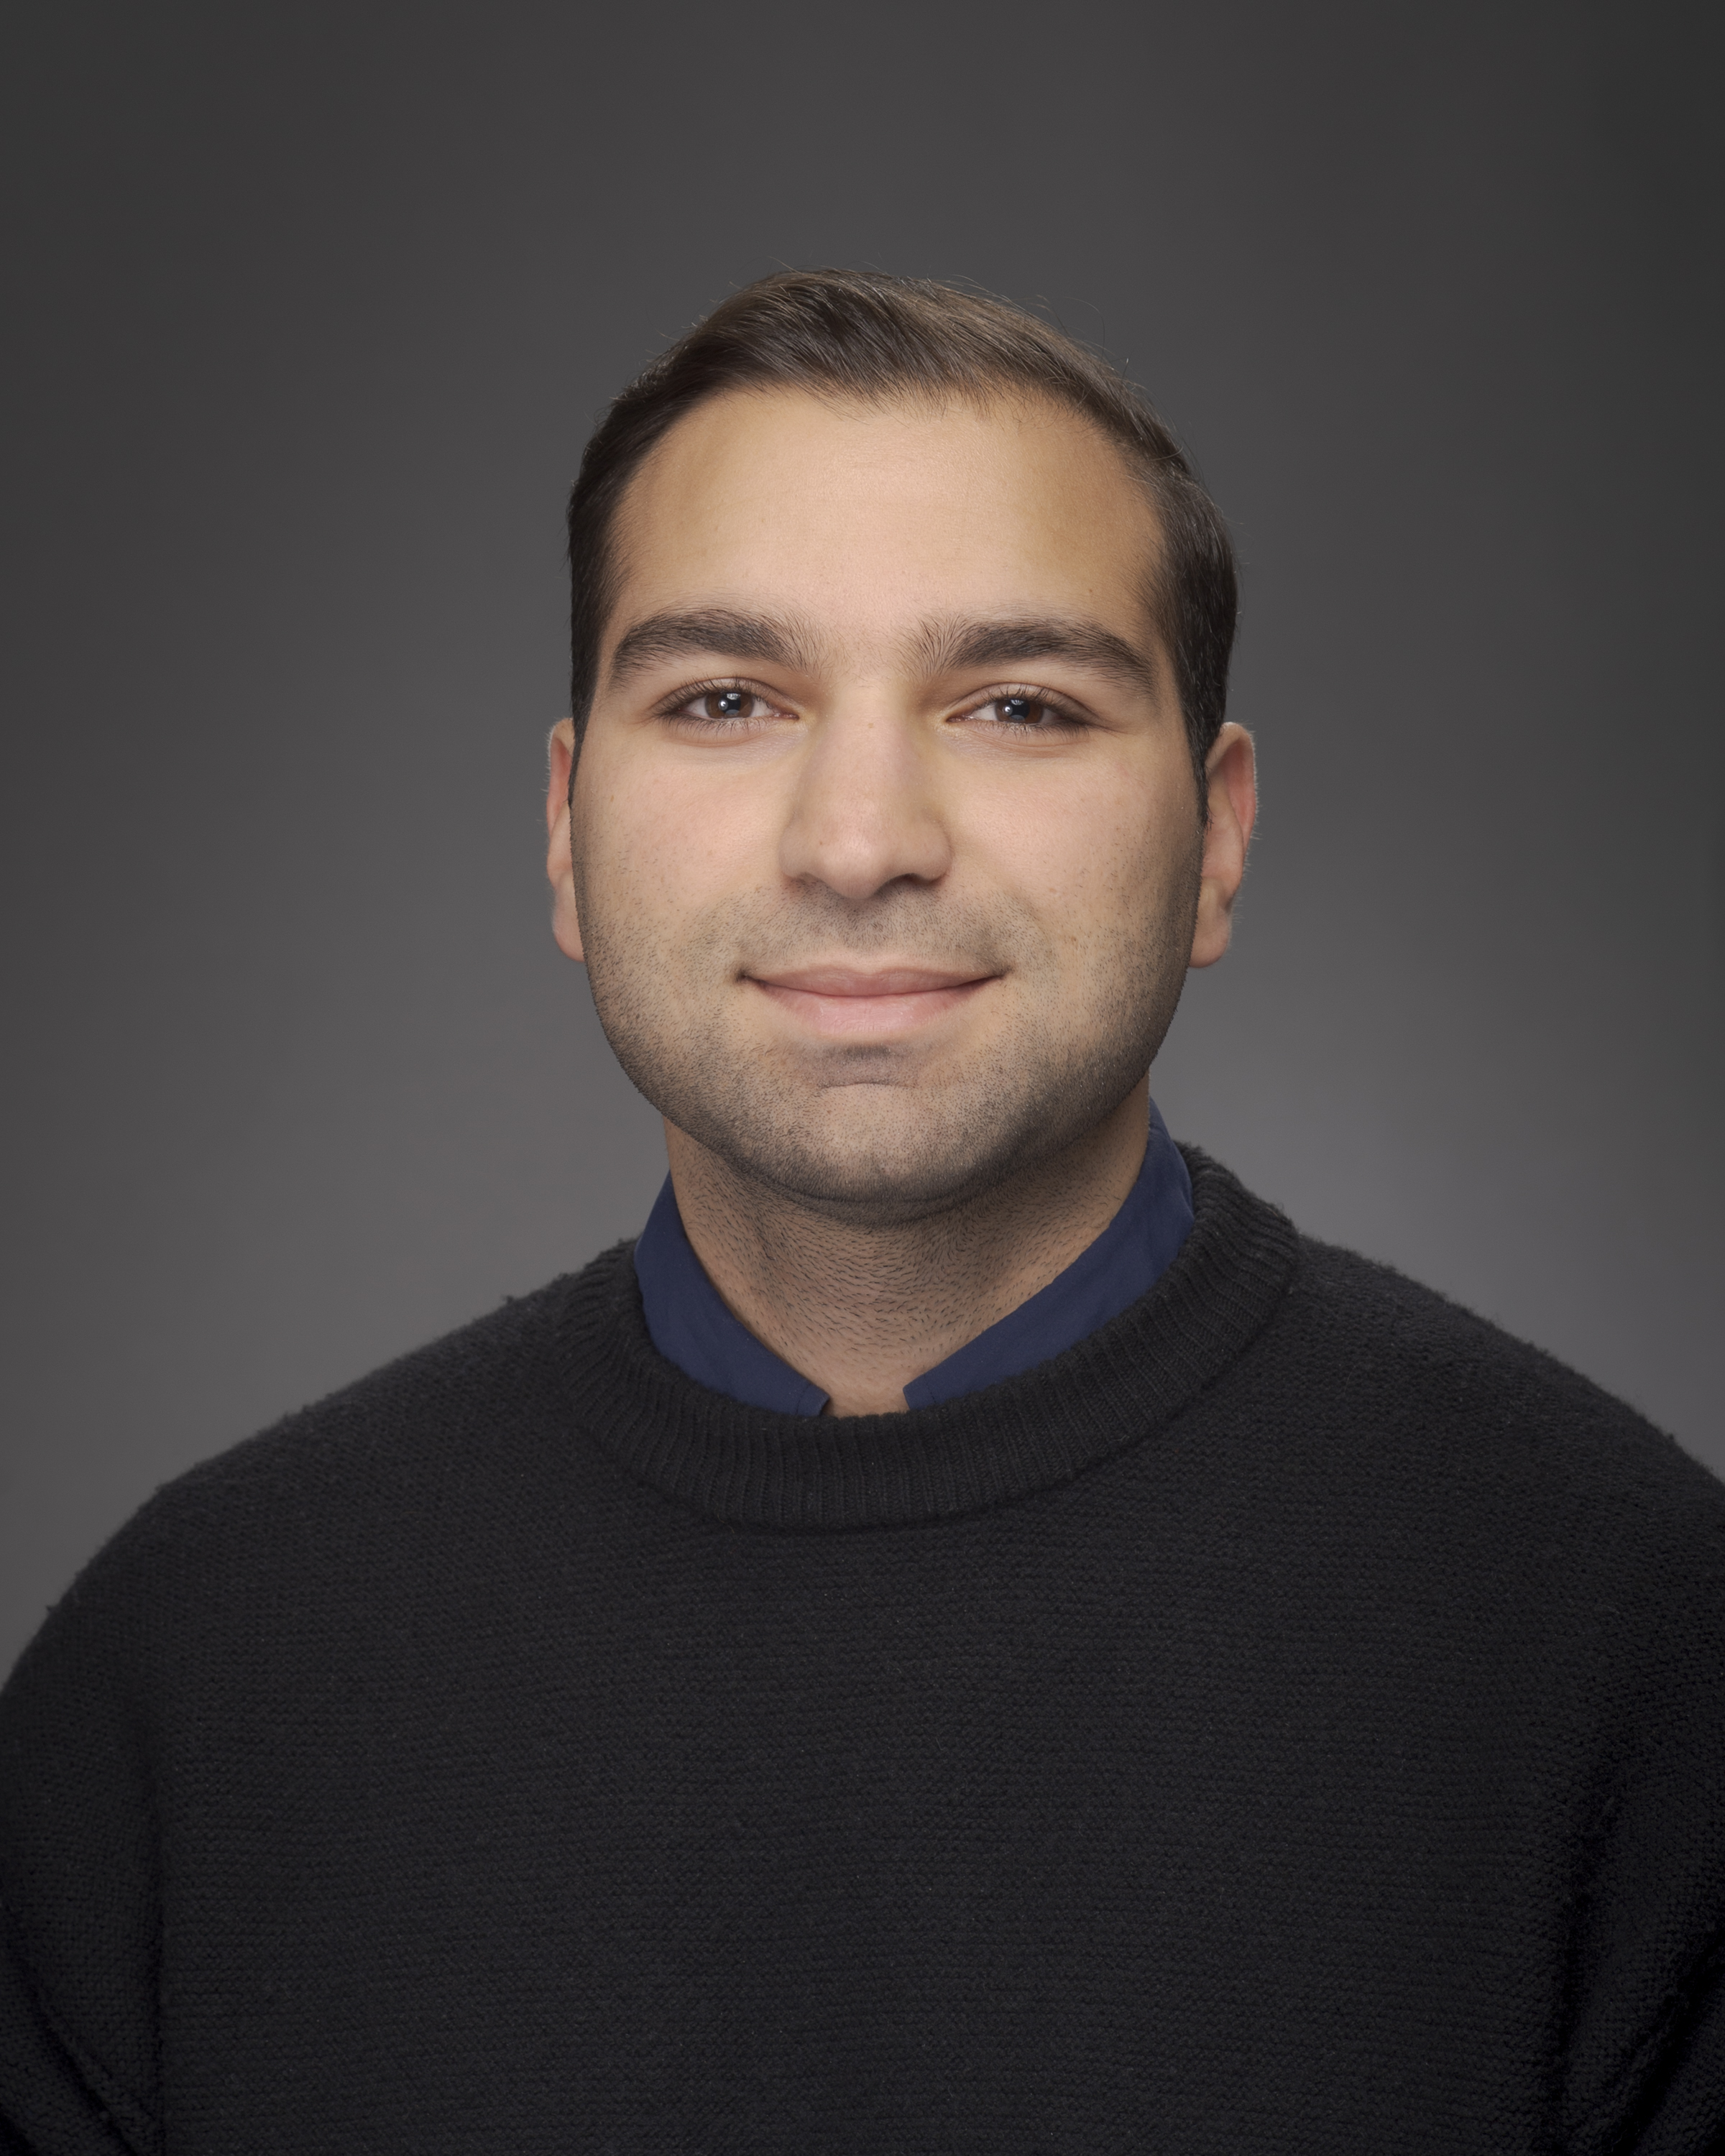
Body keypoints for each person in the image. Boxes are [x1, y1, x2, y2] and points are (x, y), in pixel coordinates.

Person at [2, 270, 1722, 2154]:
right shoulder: (191, 1677)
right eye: (728, 698)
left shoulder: (1630, 1646)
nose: (858, 838)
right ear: (567, 832)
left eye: (1017, 702)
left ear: (1216, 837)